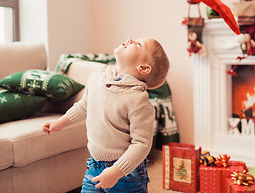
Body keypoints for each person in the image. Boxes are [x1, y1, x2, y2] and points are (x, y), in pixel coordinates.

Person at [42, 38, 170, 192]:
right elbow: (84, 106)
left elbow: (142, 144)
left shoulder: (139, 101)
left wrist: (117, 171)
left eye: (139, 44)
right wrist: (60, 122)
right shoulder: (96, 77)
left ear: (143, 68)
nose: (130, 40)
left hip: (127, 174)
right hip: (95, 165)